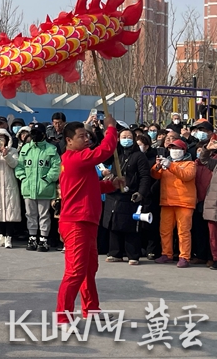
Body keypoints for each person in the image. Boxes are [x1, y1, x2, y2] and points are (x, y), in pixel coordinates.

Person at [55, 117, 124, 326]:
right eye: (81, 136)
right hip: (77, 222)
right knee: (75, 271)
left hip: (86, 220)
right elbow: (104, 150)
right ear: (68, 141)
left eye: (87, 135)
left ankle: (91, 309)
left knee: (88, 269)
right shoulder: (77, 158)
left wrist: (111, 185)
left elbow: (91, 186)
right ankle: (62, 316)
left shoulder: (77, 162)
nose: (86, 139)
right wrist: (111, 129)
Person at [100, 129, 151, 265]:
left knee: (130, 226)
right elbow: (103, 158)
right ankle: (115, 252)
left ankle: (133, 255)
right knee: (113, 223)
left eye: (129, 136)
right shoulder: (116, 153)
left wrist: (141, 192)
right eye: (123, 136)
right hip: (114, 192)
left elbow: (145, 176)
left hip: (130, 194)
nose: (126, 139)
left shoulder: (139, 156)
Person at [151, 139, 196, 267]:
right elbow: (154, 175)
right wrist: (158, 166)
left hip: (184, 202)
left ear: (184, 151)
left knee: (184, 231)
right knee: (165, 230)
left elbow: (186, 176)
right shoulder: (166, 163)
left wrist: (170, 165)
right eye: (172, 148)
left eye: (177, 149)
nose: (174, 151)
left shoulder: (190, 164)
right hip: (167, 201)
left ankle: (184, 257)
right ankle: (166, 254)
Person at [15, 123, 61, 252]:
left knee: (44, 215)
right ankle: (32, 237)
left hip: (45, 188)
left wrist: (47, 179)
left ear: (44, 135)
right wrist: (23, 178)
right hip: (28, 188)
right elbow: (19, 166)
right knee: (30, 214)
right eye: (32, 133)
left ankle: (43, 239)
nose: (34, 136)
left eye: (37, 133)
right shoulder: (25, 149)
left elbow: (56, 166)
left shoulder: (51, 149)